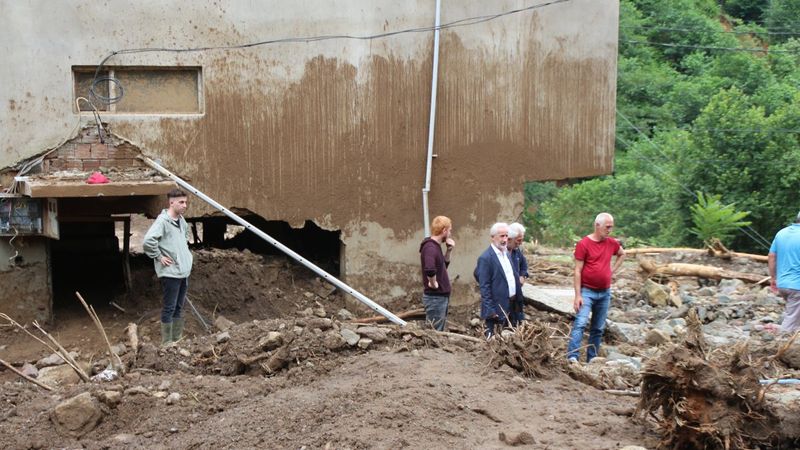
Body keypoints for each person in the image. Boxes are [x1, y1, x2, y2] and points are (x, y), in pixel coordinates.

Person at [567, 213, 625, 363]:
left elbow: (622, 254)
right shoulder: (584, 244)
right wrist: (577, 295)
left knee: (598, 328)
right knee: (580, 323)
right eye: (607, 227)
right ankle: (572, 357)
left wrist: (612, 271)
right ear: (597, 225)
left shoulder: (611, 243)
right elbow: (577, 270)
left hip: (604, 292)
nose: (610, 230)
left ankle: (592, 359)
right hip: (587, 291)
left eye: (611, 227)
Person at [143, 189, 194, 346]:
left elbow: (185, 237)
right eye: (181, 202)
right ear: (171, 202)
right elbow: (148, 241)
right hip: (171, 273)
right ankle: (167, 343)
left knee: (179, 307)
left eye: (185, 202)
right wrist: (159, 256)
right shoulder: (163, 221)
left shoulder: (181, 220)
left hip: (183, 271)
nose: (185, 205)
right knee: (169, 308)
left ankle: (177, 340)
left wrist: (185, 255)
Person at [476, 222, 522, 337]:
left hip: (511, 305)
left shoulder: (506, 254)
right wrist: (490, 310)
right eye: (502, 236)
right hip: (497, 308)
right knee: (493, 341)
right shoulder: (486, 258)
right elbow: (484, 287)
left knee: (511, 340)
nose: (505, 239)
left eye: (506, 236)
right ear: (492, 237)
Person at [419, 216, 455, 331]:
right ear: (444, 230)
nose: (450, 234)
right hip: (435, 298)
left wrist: (449, 250)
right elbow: (429, 269)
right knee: (435, 333)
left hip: (440, 298)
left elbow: (442, 267)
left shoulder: (435, 246)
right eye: (449, 230)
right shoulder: (430, 248)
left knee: (438, 331)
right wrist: (433, 283)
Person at [768, 211, 800, 333]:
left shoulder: (781, 233)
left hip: (782, 284)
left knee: (794, 316)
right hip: (797, 286)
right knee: (790, 323)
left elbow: (771, 256)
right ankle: (782, 341)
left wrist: (773, 278)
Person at [507, 222, 530, 324]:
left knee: (516, 322)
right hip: (503, 297)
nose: (520, 243)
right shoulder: (499, 254)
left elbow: (524, 265)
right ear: (509, 238)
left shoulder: (517, 251)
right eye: (518, 240)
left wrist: (523, 275)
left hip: (517, 295)